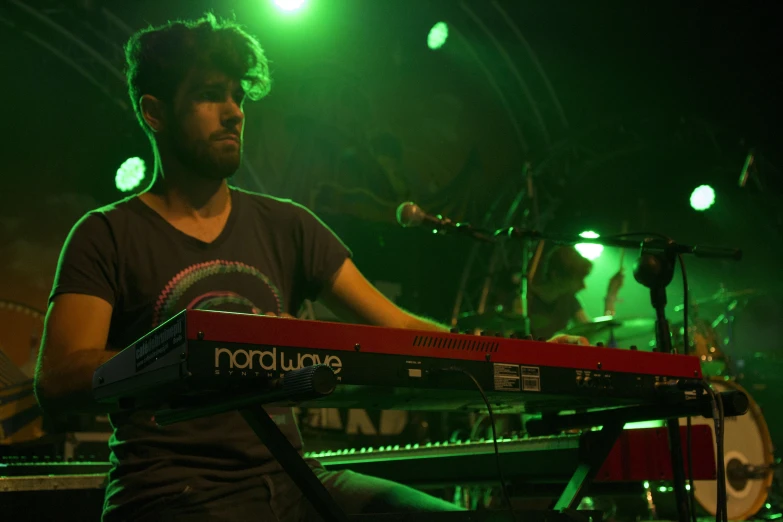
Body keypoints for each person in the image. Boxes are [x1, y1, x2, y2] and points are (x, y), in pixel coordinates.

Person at [34, 14, 584, 522]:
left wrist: (528, 356)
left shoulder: (288, 225)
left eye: (237, 95)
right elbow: (59, 379)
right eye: (208, 96)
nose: (234, 111)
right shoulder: (106, 232)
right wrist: (190, 351)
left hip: (296, 481)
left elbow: (398, 329)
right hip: (169, 494)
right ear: (153, 112)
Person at [525, 245, 624, 340]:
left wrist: (610, 297)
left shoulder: (569, 300)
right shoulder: (525, 300)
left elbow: (593, 334)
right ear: (556, 276)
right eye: (578, 279)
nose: (583, 286)